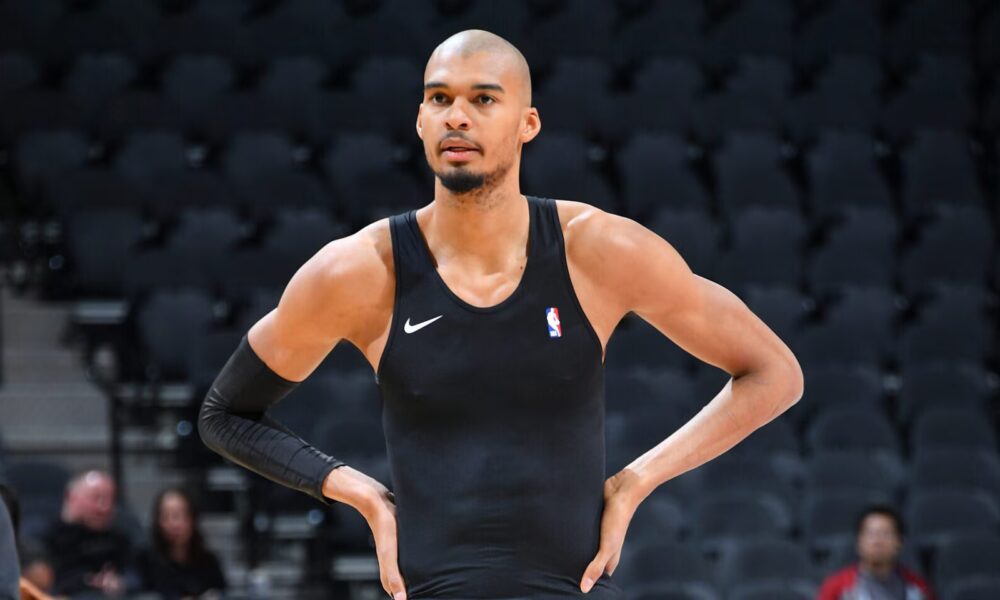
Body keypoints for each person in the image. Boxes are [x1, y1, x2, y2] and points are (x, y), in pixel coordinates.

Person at [198, 29, 804, 600]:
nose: (457, 117)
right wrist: (357, 492)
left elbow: (774, 374)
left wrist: (636, 480)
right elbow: (225, 414)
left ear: (527, 123)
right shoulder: (358, 272)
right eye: (440, 99)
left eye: (483, 99)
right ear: (420, 120)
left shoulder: (599, 251)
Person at [43, 470, 138, 599]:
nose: (105, 507)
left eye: (111, 499)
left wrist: (121, 582)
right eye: (96, 498)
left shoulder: (120, 537)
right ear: (71, 497)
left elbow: (136, 575)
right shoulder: (49, 538)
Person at [817, 505, 936, 600]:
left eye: (885, 534)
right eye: (871, 534)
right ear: (858, 542)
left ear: (899, 543)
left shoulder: (917, 588)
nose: (877, 541)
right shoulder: (836, 588)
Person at [139, 487, 226, 599]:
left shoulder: (209, 562)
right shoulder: (145, 562)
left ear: (192, 519)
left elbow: (222, 593)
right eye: (166, 517)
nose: (173, 524)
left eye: (178, 516)